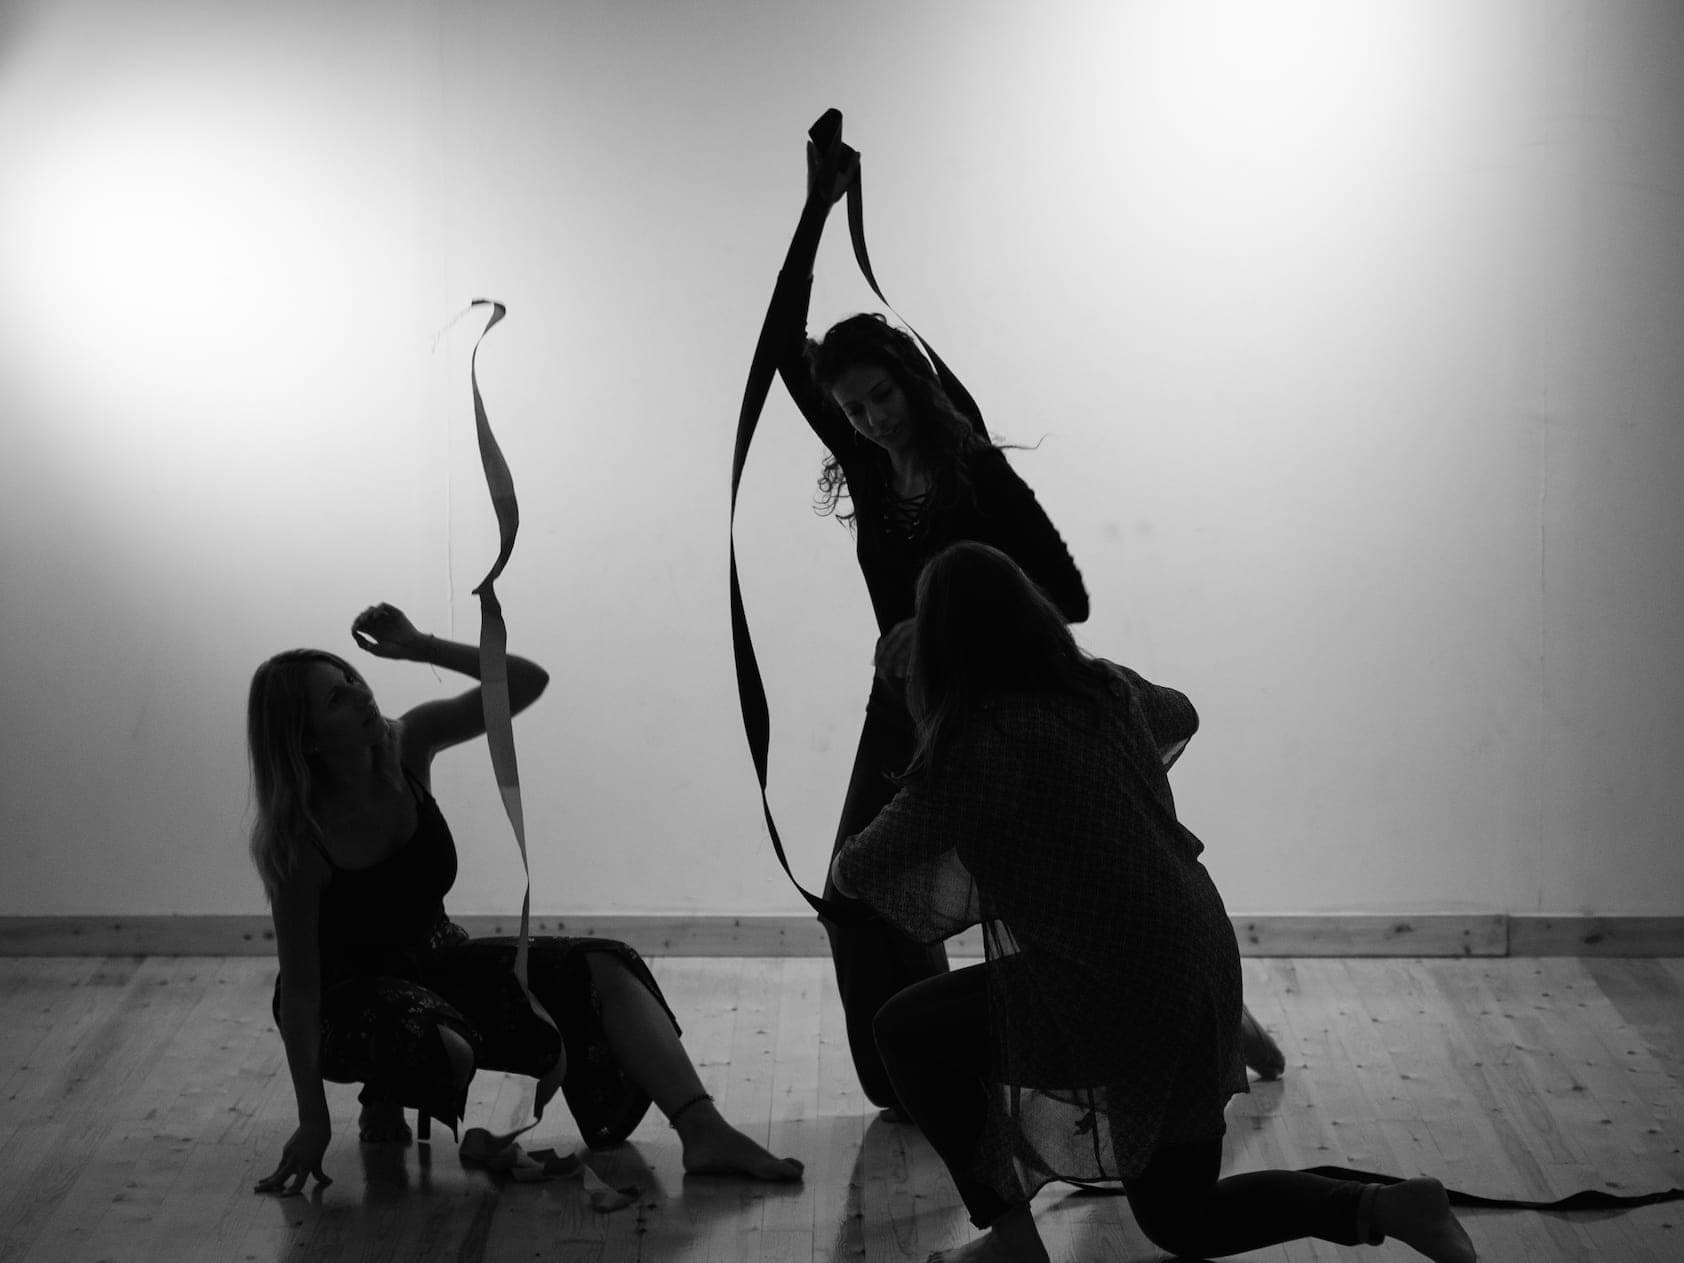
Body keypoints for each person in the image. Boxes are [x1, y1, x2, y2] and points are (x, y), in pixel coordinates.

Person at [769, 130, 1282, 1112]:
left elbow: (1068, 596)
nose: (871, 417)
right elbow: (779, 351)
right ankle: (913, 1075)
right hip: (906, 712)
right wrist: (813, 211)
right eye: (854, 407)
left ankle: (1217, 1016)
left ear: (910, 382)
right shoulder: (869, 469)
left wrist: (948, 623)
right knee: (857, 894)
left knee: (1064, 894)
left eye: (881, 395)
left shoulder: (975, 470)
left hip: (1002, 715)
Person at [831, 543, 1476, 1263]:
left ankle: (1012, 1242)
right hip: (1198, 952)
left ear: (943, 648)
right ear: (1031, 617)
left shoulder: (977, 749)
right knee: (1181, 1217)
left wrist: (903, 706)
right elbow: (1181, 710)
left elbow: (855, 870)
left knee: (906, 1031)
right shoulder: (1105, 691)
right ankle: (1389, 1205)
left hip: (1111, 987)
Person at [247, 603, 802, 1194]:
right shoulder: (300, 843)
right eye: (336, 698)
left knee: (600, 965)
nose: (361, 694)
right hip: (346, 999)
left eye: (352, 679)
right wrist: (313, 1121)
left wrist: (421, 646)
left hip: (435, 960)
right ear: (305, 739)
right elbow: (302, 996)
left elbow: (525, 681)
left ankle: (705, 1131)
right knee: (441, 1044)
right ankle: (383, 1092)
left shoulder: (408, 746)